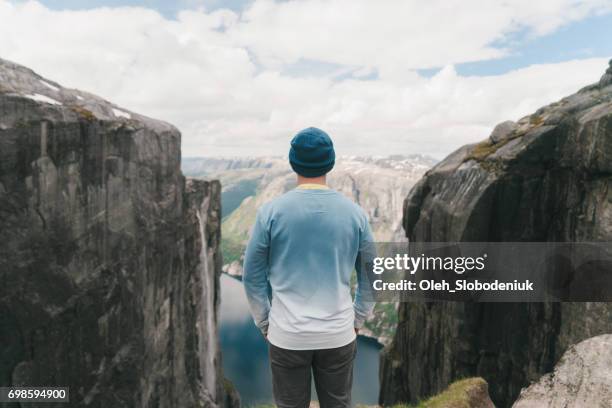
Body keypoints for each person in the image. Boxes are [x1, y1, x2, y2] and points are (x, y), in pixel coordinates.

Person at [243, 127, 376, 408]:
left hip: (287, 336)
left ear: (293, 162)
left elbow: (252, 276)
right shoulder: (355, 214)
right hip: (338, 334)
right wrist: (357, 320)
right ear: (330, 162)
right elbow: (372, 276)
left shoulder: (271, 212)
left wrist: (266, 323)